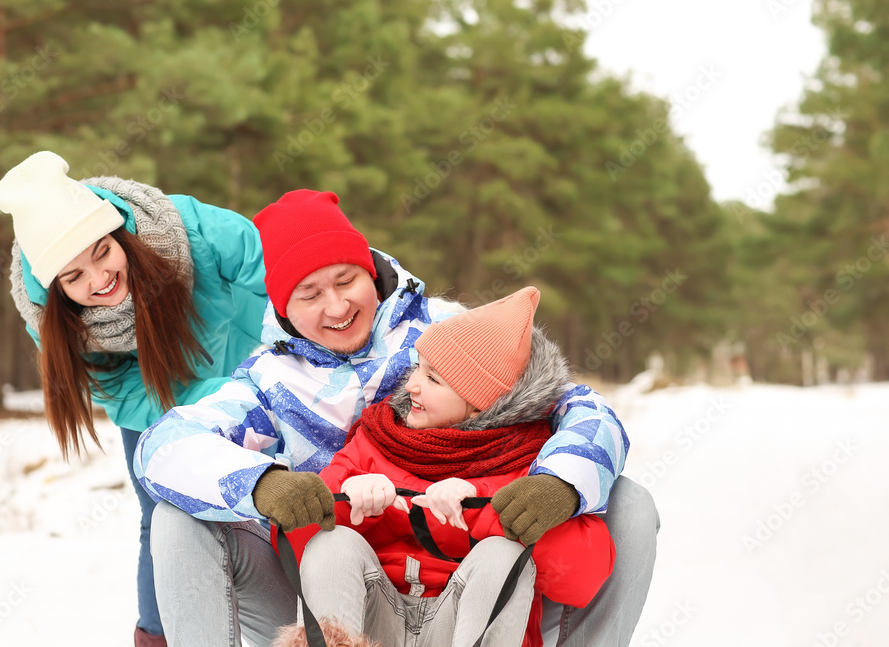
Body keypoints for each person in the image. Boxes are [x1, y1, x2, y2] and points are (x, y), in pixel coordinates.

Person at [135, 189, 657, 647]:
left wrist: (560, 485)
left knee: (629, 502)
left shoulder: (446, 332)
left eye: (346, 280)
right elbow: (164, 445)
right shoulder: (268, 382)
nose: (336, 304)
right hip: (328, 588)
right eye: (310, 294)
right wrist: (264, 484)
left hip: (473, 586)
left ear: (372, 271)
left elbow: (579, 406)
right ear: (284, 306)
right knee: (177, 517)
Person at [0, 151, 268, 647]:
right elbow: (111, 385)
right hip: (150, 400)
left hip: (243, 356)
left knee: (274, 492)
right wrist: (191, 426)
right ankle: (159, 636)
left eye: (101, 253)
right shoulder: (47, 318)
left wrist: (296, 343)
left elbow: (269, 262)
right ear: (55, 288)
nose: (98, 280)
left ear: (118, 233)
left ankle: (301, 620)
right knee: (163, 514)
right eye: (73, 277)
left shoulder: (182, 227)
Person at [273, 286, 616, 647]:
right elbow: (296, 544)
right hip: (375, 622)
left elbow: (583, 576)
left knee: (502, 554)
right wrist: (352, 507)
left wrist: (477, 511)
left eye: (433, 379)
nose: (412, 386)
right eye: (419, 368)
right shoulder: (377, 437)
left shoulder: (527, 462)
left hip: (461, 627)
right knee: (332, 544)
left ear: (480, 405)